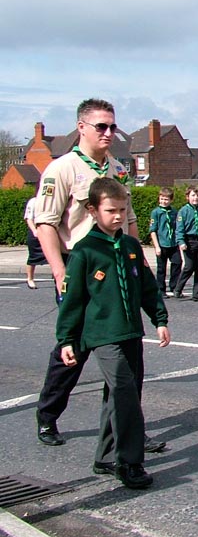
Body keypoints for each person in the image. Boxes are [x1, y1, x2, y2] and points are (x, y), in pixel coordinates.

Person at [32, 98, 167, 453]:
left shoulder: (117, 170)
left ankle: (126, 429)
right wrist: (60, 272)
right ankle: (48, 413)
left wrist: (138, 262)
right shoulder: (61, 170)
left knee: (125, 354)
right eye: (101, 127)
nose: (109, 133)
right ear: (82, 128)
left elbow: (131, 219)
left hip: (117, 269)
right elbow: (46, 223)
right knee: (72, 350)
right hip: (80, 269)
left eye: (112, 126)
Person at [56, 178, 170, 490]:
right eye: (111, 210)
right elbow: (73, 300)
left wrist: (159, 318)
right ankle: (129, 462)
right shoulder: (85, 251)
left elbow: (147, 287)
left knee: (119, 392)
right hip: (103, 334)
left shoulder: (131, 246)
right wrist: (66, 339)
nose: (118, 216)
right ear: (92, 210)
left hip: (131, 331)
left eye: (122, 209)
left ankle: (104, 456)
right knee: (124, 392)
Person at [174, 185, 198, 302]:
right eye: (193, 195)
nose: (195, 198)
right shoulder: (183, 211)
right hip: (188, 242)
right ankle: (178, 289)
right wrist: (181, 242)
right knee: (189, 267)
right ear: (187, 197)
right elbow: (179, 229)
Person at [149, 187, 181, 298]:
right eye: (162, 199)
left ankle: (174, 285)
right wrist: (156, 246)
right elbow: (153, 231)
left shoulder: (174, 212)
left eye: (166, 199)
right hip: (161, 244)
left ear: (171, 200)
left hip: (173, 243)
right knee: (161, 268)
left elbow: (177, 227)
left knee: (177, 262)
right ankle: (161, 289)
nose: (164, 201)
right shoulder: (156, 212)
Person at [24, 195, 45, 289]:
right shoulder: (33, 201)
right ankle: (30, 278)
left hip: (47, 232)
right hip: (35, 232)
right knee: (33, 257)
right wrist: (34, 231)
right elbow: (29, 218)